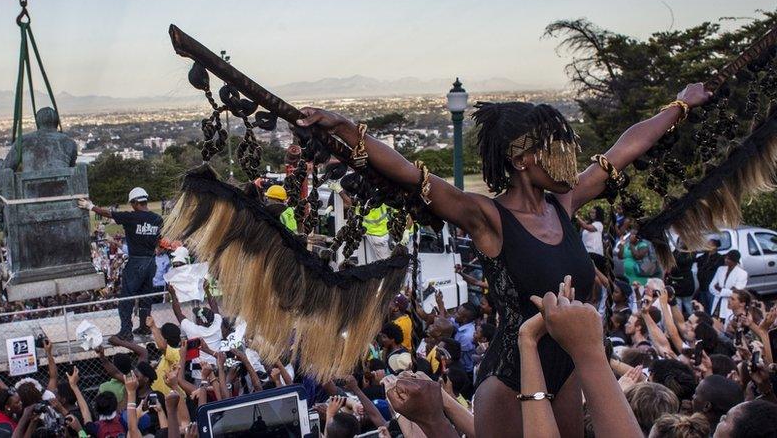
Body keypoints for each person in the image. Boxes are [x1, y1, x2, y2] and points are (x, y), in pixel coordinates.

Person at [296, 81, 711, 437]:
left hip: (567, 372)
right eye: (554, 147)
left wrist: (681, 104)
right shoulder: (488, 218)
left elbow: (625, 148)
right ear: (521, 161)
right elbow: (411, 174)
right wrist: (346, 128)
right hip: (510, 381)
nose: (567, 155)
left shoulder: (564, 204)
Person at [79, 186, 163, 338]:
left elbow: (108, 213)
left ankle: (125, 331)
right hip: (151, 262)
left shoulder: (132, 217)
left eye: (132, 204)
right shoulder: (158, 219)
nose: (131, 206)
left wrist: (90, 206)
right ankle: (144, 327)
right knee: (146, 298)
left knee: (126, 298)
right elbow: (159, 241)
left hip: (136, 262)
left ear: (136, 202)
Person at [709, 251, 748, 320]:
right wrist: (726, 291)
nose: (726, 260)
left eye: (729, 259)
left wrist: (720, 289)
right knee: (714, 322)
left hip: (729, 305)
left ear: (735, 261)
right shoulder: (720, 269)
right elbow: (711, 287)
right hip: (717, 302)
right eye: (726, 258)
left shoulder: (742, 274)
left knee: (727, 323)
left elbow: (737, 293)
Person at [695, 238, 722, 309]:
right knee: (703, 306)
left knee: (711, 307)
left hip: (711, 287)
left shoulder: (719, 258)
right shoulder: (703, 257)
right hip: (702, 286)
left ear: (715, 247)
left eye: (709, 244)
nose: (706, 245)